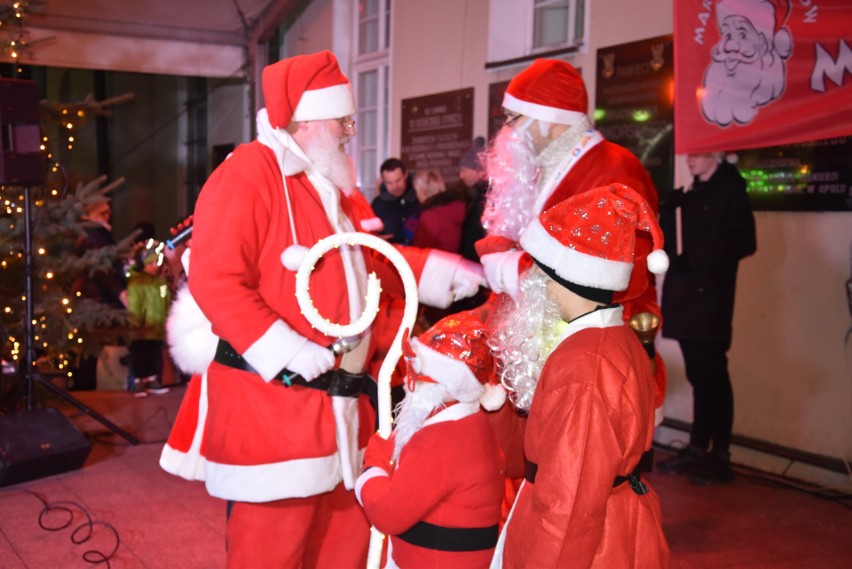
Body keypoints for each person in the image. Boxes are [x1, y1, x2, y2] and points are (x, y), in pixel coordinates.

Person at [170, 50, 485, 568]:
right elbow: (215, 277)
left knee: (344, 551)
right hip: (275, 415)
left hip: (342, 416)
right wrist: (288, 349)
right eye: (343, 118)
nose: (349, 129)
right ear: (307, 119)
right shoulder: (250, 173)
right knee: (272, 552)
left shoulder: (327, 185)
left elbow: (368, 259)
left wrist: (442, 272)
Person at [490, 184, 670, 568]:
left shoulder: (584, 366)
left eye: (539, 269)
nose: (531, 279)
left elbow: (569, 501)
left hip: (586, 546)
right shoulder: (614, 339)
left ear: (561, 276)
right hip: (610, 524)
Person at [356, 311, 507, 569]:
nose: (406, 381)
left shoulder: (442, 442)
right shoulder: (467, 423)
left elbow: (387, 512)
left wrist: (374, 462)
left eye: (417, 375)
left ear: (443, 383)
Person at [657, 152, 756, 485]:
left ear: (715, 156)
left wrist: (698, 259)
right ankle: (699, 447)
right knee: (700, 374)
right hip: (686, 296)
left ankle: (720, 453)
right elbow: (675, 242)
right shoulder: (695, 192)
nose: (690, 160)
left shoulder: (730, 191)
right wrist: (668, 212)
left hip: (710, 297)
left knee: (713, 373)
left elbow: (744, 242)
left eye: (698, 154)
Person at [70, 196, 128, 390]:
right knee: (93, 350)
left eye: (108, 212)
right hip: (96, 300)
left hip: (93, 299)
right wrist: (120, 293)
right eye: (103, 212)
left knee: (92, 351)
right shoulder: (93, 236)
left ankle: (89, 386)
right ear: (90, 214)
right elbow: (101, 270)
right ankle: (88, 389)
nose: (108, 216)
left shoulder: (93, 235)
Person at [126, 239, 171, 397]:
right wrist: (136, 323)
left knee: (154, 354)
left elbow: (165, 301)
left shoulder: (160, 282)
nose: (156, 267)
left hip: (157, 327)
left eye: (157, 263)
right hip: (142, 328)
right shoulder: (137, 282)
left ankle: (152, 380)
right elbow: (134, 305)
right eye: (152, 264)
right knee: (140, 354)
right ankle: (139, 381)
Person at [411, 169, 466, 253]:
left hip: (436, 263)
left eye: (416, 191)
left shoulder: (430, 216)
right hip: (453, 261)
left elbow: (421, 250)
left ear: (423, 191)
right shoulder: (452, 207)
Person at [372, 158, 419, 244]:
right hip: (390, 253)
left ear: (406, 175)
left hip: (419, 252)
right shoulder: (377, 204)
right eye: (389, 183)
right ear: (383, 181)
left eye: (398, 180)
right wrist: (377, 240)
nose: (395, 186)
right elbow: (369, 235)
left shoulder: (419, 197)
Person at [458, 136, 489, 263]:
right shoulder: (475, 197)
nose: (461, 176)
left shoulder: (484, 199)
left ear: (479, 170)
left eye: (464, 170)